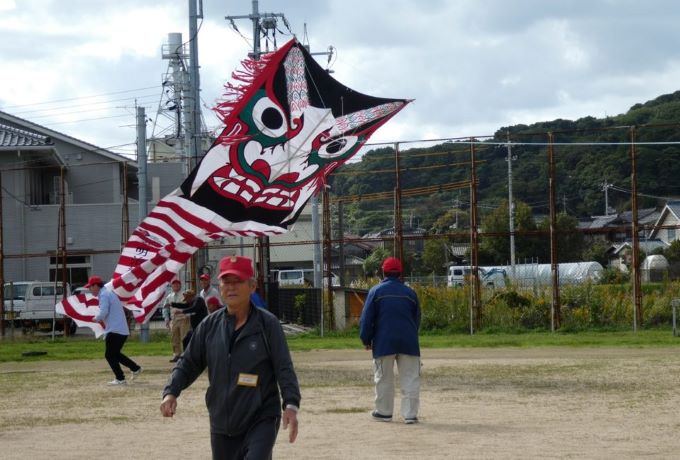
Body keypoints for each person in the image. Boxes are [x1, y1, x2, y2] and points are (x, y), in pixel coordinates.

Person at [161, 255, 301, 460]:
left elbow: (283, 367)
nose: (231, 287)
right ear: (220, 286)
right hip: (222, 421)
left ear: (252, 286)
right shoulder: (209, 326)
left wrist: (291, 404)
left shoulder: (267, 325)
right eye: (226, 281)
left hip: (261, 418)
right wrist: (171, 392)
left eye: (238, 281)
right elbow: (188, 362)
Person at [359, 257, 421, 424]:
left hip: (383, 341)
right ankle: (410, 415)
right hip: (409, 341)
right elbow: (417, 320)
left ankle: (384, 412)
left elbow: (366, 319)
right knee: (410, 378)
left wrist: (366, 339)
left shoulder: (375, 291)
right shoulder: (411, 293)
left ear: (383, 272)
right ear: (400, 273)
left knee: (383, 378)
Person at [87, 275, 142, 385]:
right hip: (119, 329)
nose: (89, 289)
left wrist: (96, 319)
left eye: (90, 287)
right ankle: (135, 368)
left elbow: (103, 312)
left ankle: (120, 378)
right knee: (115, 354)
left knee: (110, 355)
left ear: (96, 286)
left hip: (115, 330)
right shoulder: (107, 293)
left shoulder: (104, 295)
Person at [162, 279, 191, 363]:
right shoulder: (169, 296)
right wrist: (166, 319)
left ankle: (186, 355)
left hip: (183, 319)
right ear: (171, 286)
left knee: (184, 338)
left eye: (177, 284)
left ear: (180, 285)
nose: (176, 286)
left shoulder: (184, 295)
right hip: (174, 320)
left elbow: (189, 305)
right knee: (174, 338)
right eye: (174, 285)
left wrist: (188, 316)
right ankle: (176, 355)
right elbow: (165, 308)